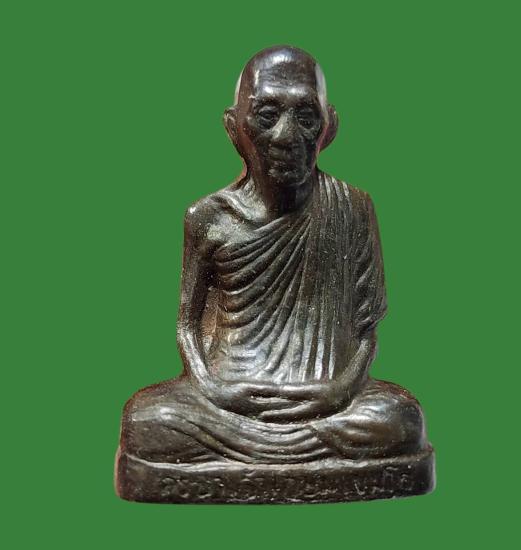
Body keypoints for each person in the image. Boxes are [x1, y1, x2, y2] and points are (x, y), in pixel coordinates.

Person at [118, 45, 427, 465]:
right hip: (231, 395)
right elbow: (187, 325)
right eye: (267, 116)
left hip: (325, 397)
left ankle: (254, 452)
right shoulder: (208, 217)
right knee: (146, 420)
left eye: (306, 117)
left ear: (329, 127)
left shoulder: (352, 207)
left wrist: (340, 391)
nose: (286, 136)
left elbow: (366, 330)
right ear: (234, 127)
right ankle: (288, 452)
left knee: (401, 418)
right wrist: (213, 389)